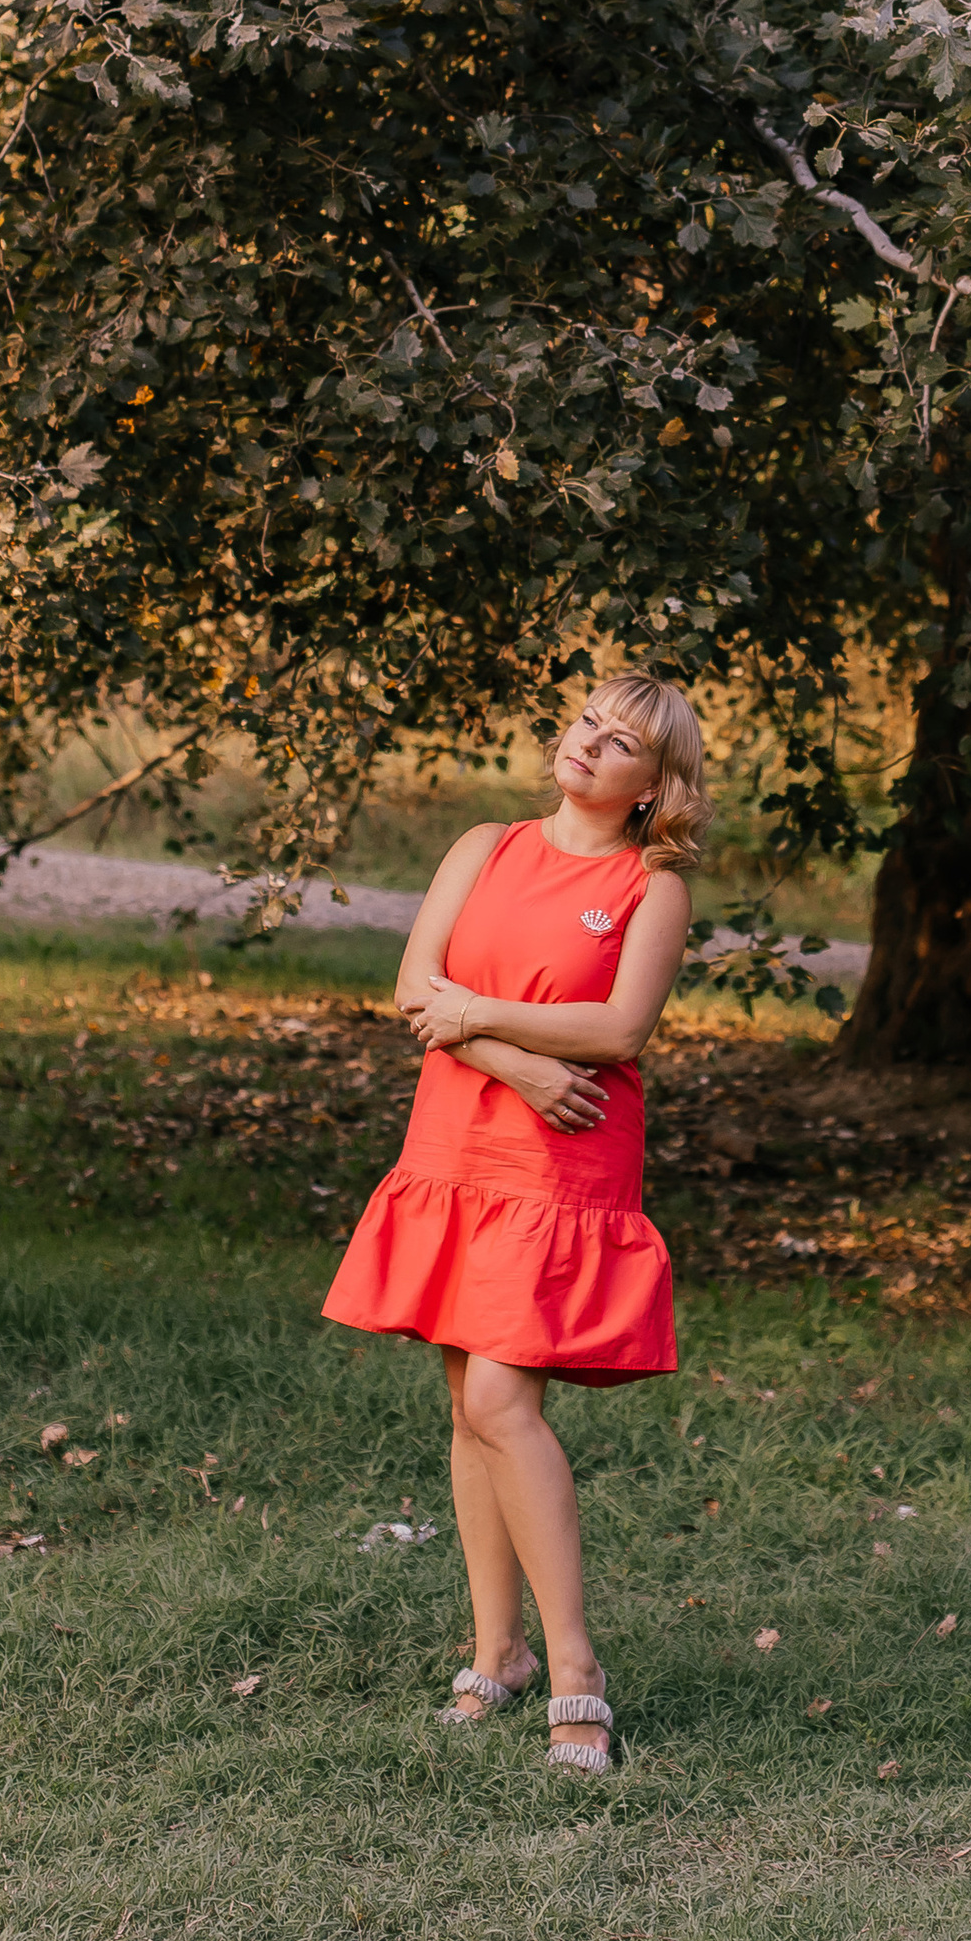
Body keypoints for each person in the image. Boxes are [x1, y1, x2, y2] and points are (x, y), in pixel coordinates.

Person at [320, 669, 706, 1775]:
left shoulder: (651, 882)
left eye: (620, 741)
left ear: (651, 784)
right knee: (467, 1402)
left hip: (565, 1156)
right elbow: (414, 986)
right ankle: (499, 1651)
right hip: (460, 1139)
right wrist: (514, 1064)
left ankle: (577, 1669)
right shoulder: (482, 843)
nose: (589, 744)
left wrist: (488, 1024)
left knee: (501, 1395)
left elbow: (621, 1026)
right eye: (586, 720)